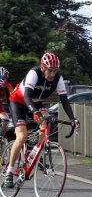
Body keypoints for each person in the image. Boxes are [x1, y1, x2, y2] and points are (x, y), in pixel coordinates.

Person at [4, 52, 80, 188]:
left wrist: (73, 118)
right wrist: (34, 112)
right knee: (22, 137)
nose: (52, 74)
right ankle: (9, 170)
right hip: (19, 102)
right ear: (42, 67)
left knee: (45, 126)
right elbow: (27, 96)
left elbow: (64, 100)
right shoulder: (34, 73)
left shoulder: (58, 78)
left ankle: (36, 155)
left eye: (55, 71)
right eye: (49, 71)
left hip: (37, 104)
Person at [0, 67, 14, 138]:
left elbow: (13, 96)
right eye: (4, 77)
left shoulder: (7, 85)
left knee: (6, 120)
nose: (5, 79)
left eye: (6, 78)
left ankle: (1, 137)